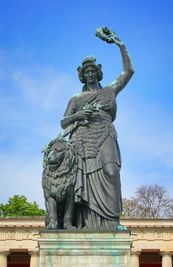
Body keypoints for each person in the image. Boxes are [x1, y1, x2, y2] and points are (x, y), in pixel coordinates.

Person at [60, 32, 134, 230]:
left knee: (111, 172)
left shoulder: (109, 90)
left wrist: (120, 45)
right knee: (83, 180)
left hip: (105, 134)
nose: (90, 74)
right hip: (82, 140)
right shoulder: (76, 98)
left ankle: (112, 221)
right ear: (82, 75)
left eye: (93, 71)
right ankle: (85, 223)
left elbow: (128, 71)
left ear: (98, 73)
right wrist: (77, 116)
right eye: (87, 72)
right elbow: (63, 122)